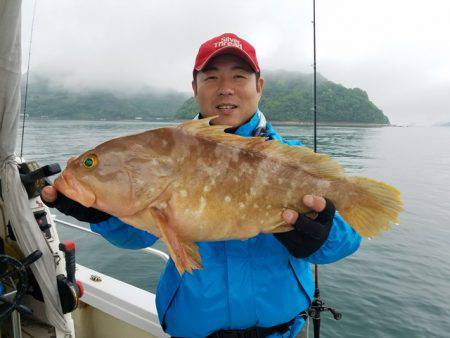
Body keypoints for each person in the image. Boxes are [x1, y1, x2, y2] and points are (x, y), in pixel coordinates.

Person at [41, 33, 361, 338]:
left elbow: (349, 239)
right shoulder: (163, 154)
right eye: (211, 78)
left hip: (283, 330)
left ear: (259, 86)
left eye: (239, 77)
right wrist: (103, 214)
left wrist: (321, 237)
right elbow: (136, 237)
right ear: (194, 87)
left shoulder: (294, 159)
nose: (225, 88)